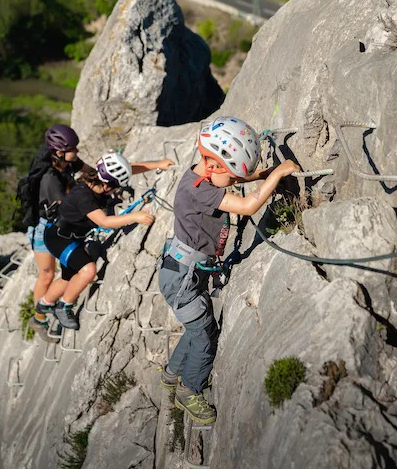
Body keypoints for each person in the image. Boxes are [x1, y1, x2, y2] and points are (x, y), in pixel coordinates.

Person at [157, 116, 300, 425]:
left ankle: (171, 373)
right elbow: (249, 206)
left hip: (184, 273)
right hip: (183, 279)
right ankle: (189, 389)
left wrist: (265, 173)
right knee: (206, 336)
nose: (235, 180)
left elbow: (234, 183)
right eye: (232, 174)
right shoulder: (202, 191)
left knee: (198, 327)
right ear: (214, 166)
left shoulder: (201, 176)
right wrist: (280, 175)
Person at [37, 152, 163, 330]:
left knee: (68, 277)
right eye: (116, 187)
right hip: (60, 238)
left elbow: (129, 169)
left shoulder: (95, 177)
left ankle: (45, 303)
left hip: (66, 236)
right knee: (88, 270)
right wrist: (135, 217)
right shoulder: (84, 196)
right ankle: (63, 306)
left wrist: (157, 163)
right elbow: (104, 222)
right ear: (106, 185)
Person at [20, 125, 91, 342]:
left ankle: (50, 304)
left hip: (56, 225)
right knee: (47, 274)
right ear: (59, 152)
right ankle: (39, 319)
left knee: (59, 272)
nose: (77, 152)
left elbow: (88, 171)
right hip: (44, 228)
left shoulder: (65, 162)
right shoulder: (50, 179)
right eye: (73, 149)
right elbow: (67, 206)